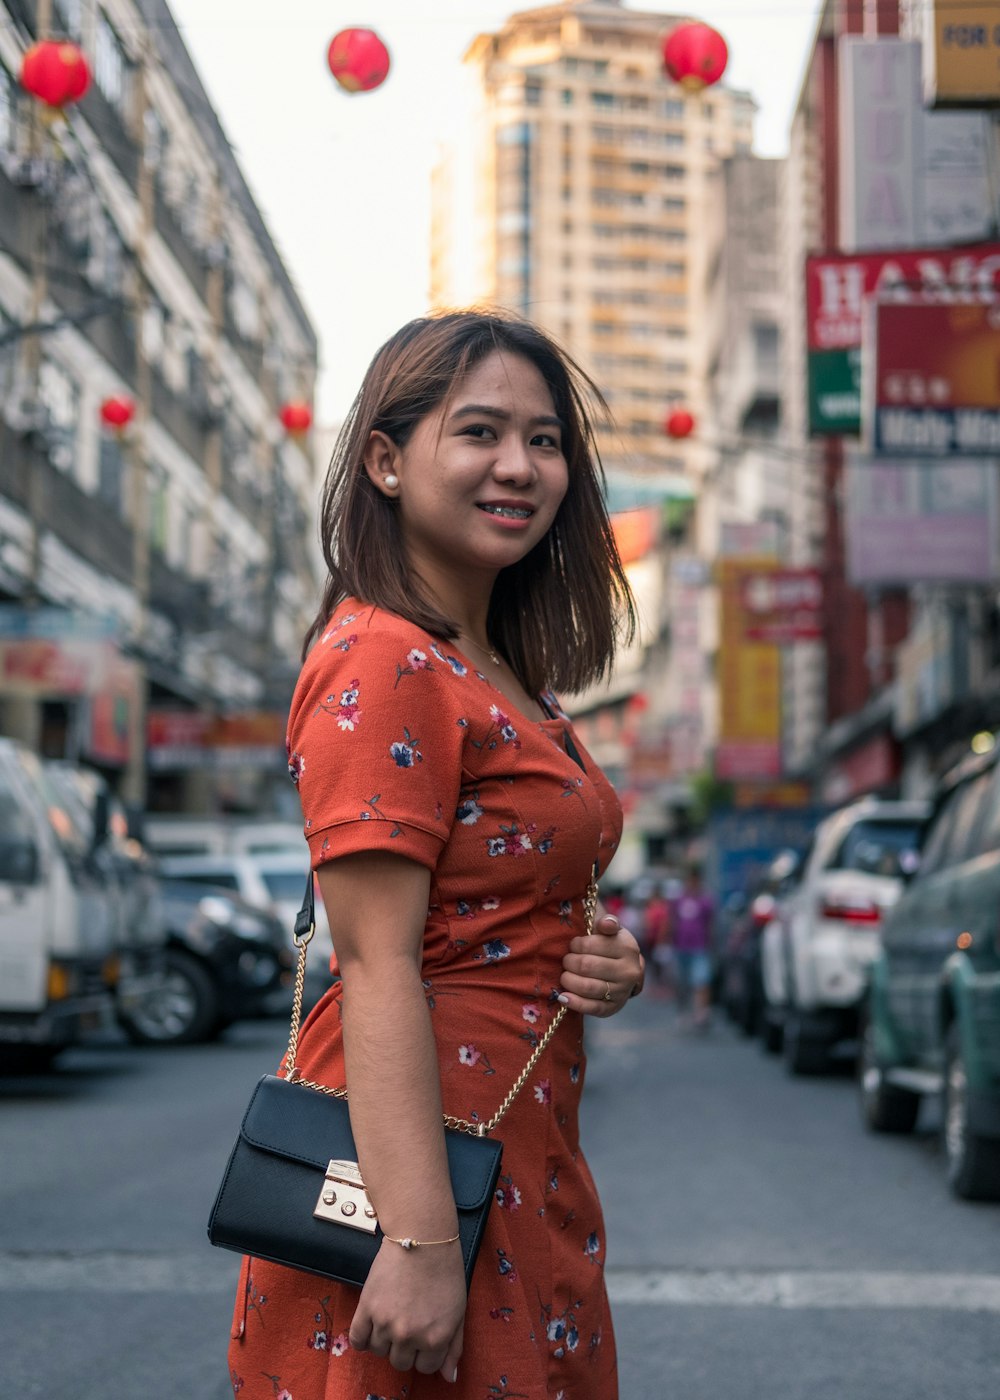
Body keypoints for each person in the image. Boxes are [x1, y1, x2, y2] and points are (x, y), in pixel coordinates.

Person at [227, 310, 646, 1399]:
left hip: (517, 1136)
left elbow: (504, 895)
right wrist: (415, 1243)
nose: (520, 465)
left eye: (546, 440)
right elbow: (374, 964)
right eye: (479, 432)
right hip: (413, 1168)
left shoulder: (505, 665)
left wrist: (603, 957)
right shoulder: (384, 654)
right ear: (384, 458)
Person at [670, 866, 715, 1028]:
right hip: (680, 947)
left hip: (699, 947)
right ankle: (683, 1012)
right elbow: (671, 921)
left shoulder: (705, 900)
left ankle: (701, 1013)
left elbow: (710, 923)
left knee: (701, 980)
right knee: (681, 983)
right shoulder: (679, 900)